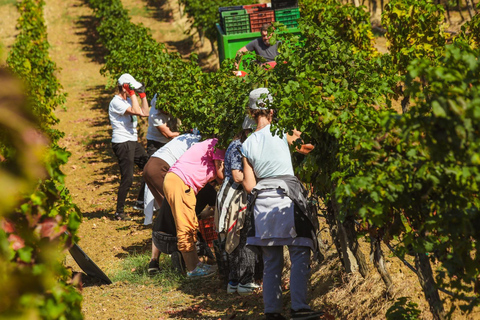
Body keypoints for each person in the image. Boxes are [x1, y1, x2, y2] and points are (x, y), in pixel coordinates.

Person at [241, 88, 322, 320]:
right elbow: (307, 148)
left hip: (262, 203)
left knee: (271, 260)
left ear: (253, 112)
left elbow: (248, 185)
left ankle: (272, 312)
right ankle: (299, 307)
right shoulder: (281, 132)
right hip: (286, 197)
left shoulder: (246, 144)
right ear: (272, 111)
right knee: (299, 252)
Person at [163, 138, 225, 279]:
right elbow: (221, 175)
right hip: (181, 182)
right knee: (185, 227)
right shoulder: (220, 145)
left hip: (179, 182)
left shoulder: (213, 143)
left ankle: (196, 264)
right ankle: (192, 269)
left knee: (191, 225)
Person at [143, 133, 201, 274]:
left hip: (150, 166)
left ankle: (154, 261)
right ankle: (180, 257)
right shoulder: (199, 144)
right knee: (174, 214)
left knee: (165, 214)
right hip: (161, 168)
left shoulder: (186, 137)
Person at [216, 128, 260, 295]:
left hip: (232, 196)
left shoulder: (238, 143)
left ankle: (234, 282)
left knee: (234, 238)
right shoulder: (239, 146)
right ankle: (244, 282)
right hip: (236, 198)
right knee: (242, 237)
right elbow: (237, 176)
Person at [109, 73, 149, 221]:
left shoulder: (127, 101)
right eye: (130, 88)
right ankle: (119, 212)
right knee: (128, 178)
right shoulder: (116, 102)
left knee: (149, 167)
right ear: (124, 87)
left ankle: (141, 202)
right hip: (122, 142)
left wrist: (143, 96)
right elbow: (137, 111)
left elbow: (145, 113)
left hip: (132, 141)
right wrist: (132, 94)